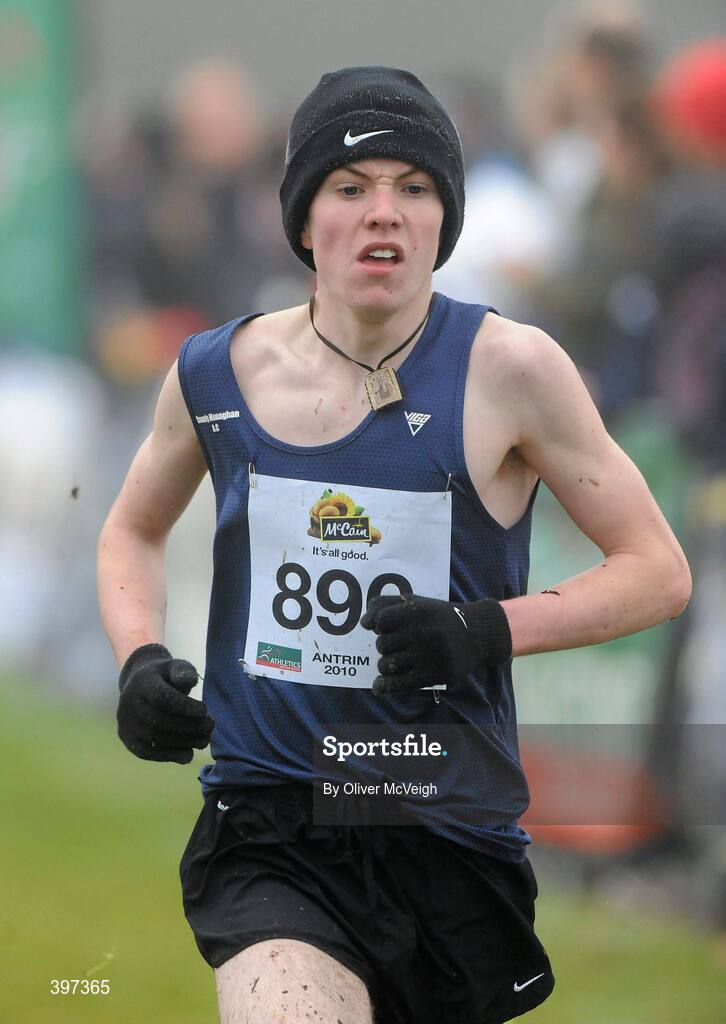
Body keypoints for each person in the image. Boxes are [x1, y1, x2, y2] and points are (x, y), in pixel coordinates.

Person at [97, 66, 692, 1024]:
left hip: (445, 823)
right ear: (303, 220)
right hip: (273, 823)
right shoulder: (216, 372)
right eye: (351, 187)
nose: (385, 214)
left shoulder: (512, 369)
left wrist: (483, 629)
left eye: (414, 189)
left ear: (444, 219)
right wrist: (138, 661)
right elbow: (130, 528)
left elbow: (659, 571)